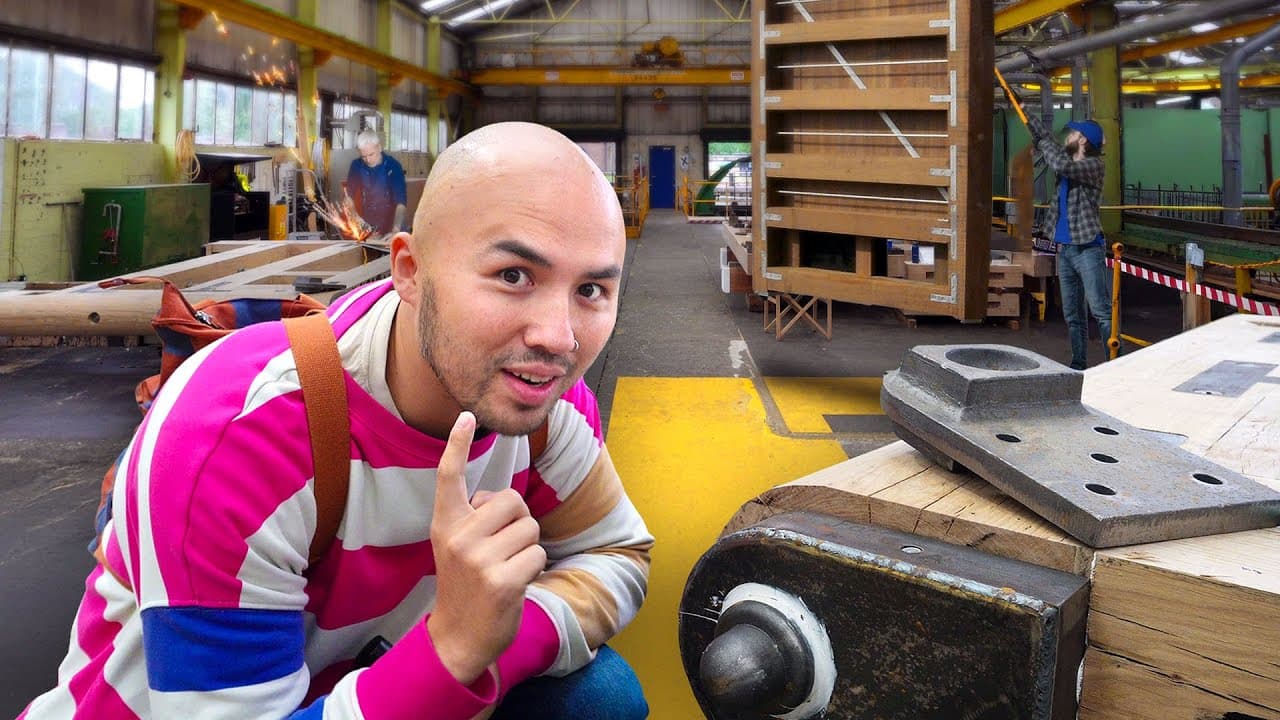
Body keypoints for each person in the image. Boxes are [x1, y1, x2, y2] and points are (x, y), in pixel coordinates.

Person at [21, 122, 653, 720]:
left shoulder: (544, 403)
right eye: (513, 276)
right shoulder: (239, 434)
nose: (557, 338)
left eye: (591, 291)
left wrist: (496, 644)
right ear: (408, 270)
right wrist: (451, 652)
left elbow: (617, 551)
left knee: (600, 696)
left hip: (380, 687)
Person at [1026, 112, 1113, 371]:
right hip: (1065, 250)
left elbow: (1061, 165)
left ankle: (1116, 365)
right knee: (1073, 315)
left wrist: (1043, 143)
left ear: (1083, 140)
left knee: (1101, 311)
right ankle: (1078, 365)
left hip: (1088, 248)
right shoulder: (1067, 159)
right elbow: (1049, 142)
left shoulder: (1093, 166)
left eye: (1073, 133)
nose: (1068, 136)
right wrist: (1027, 115)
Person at [346, 128, 408, 237]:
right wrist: (356, 218)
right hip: (369, 223)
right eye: (363, 156)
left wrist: (396, 228)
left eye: (371, 154)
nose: (368, 160)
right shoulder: (356, 165)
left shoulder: (393, 166)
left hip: (392, 223)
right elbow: (348, 197)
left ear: (379, 147)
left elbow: (401, 203)